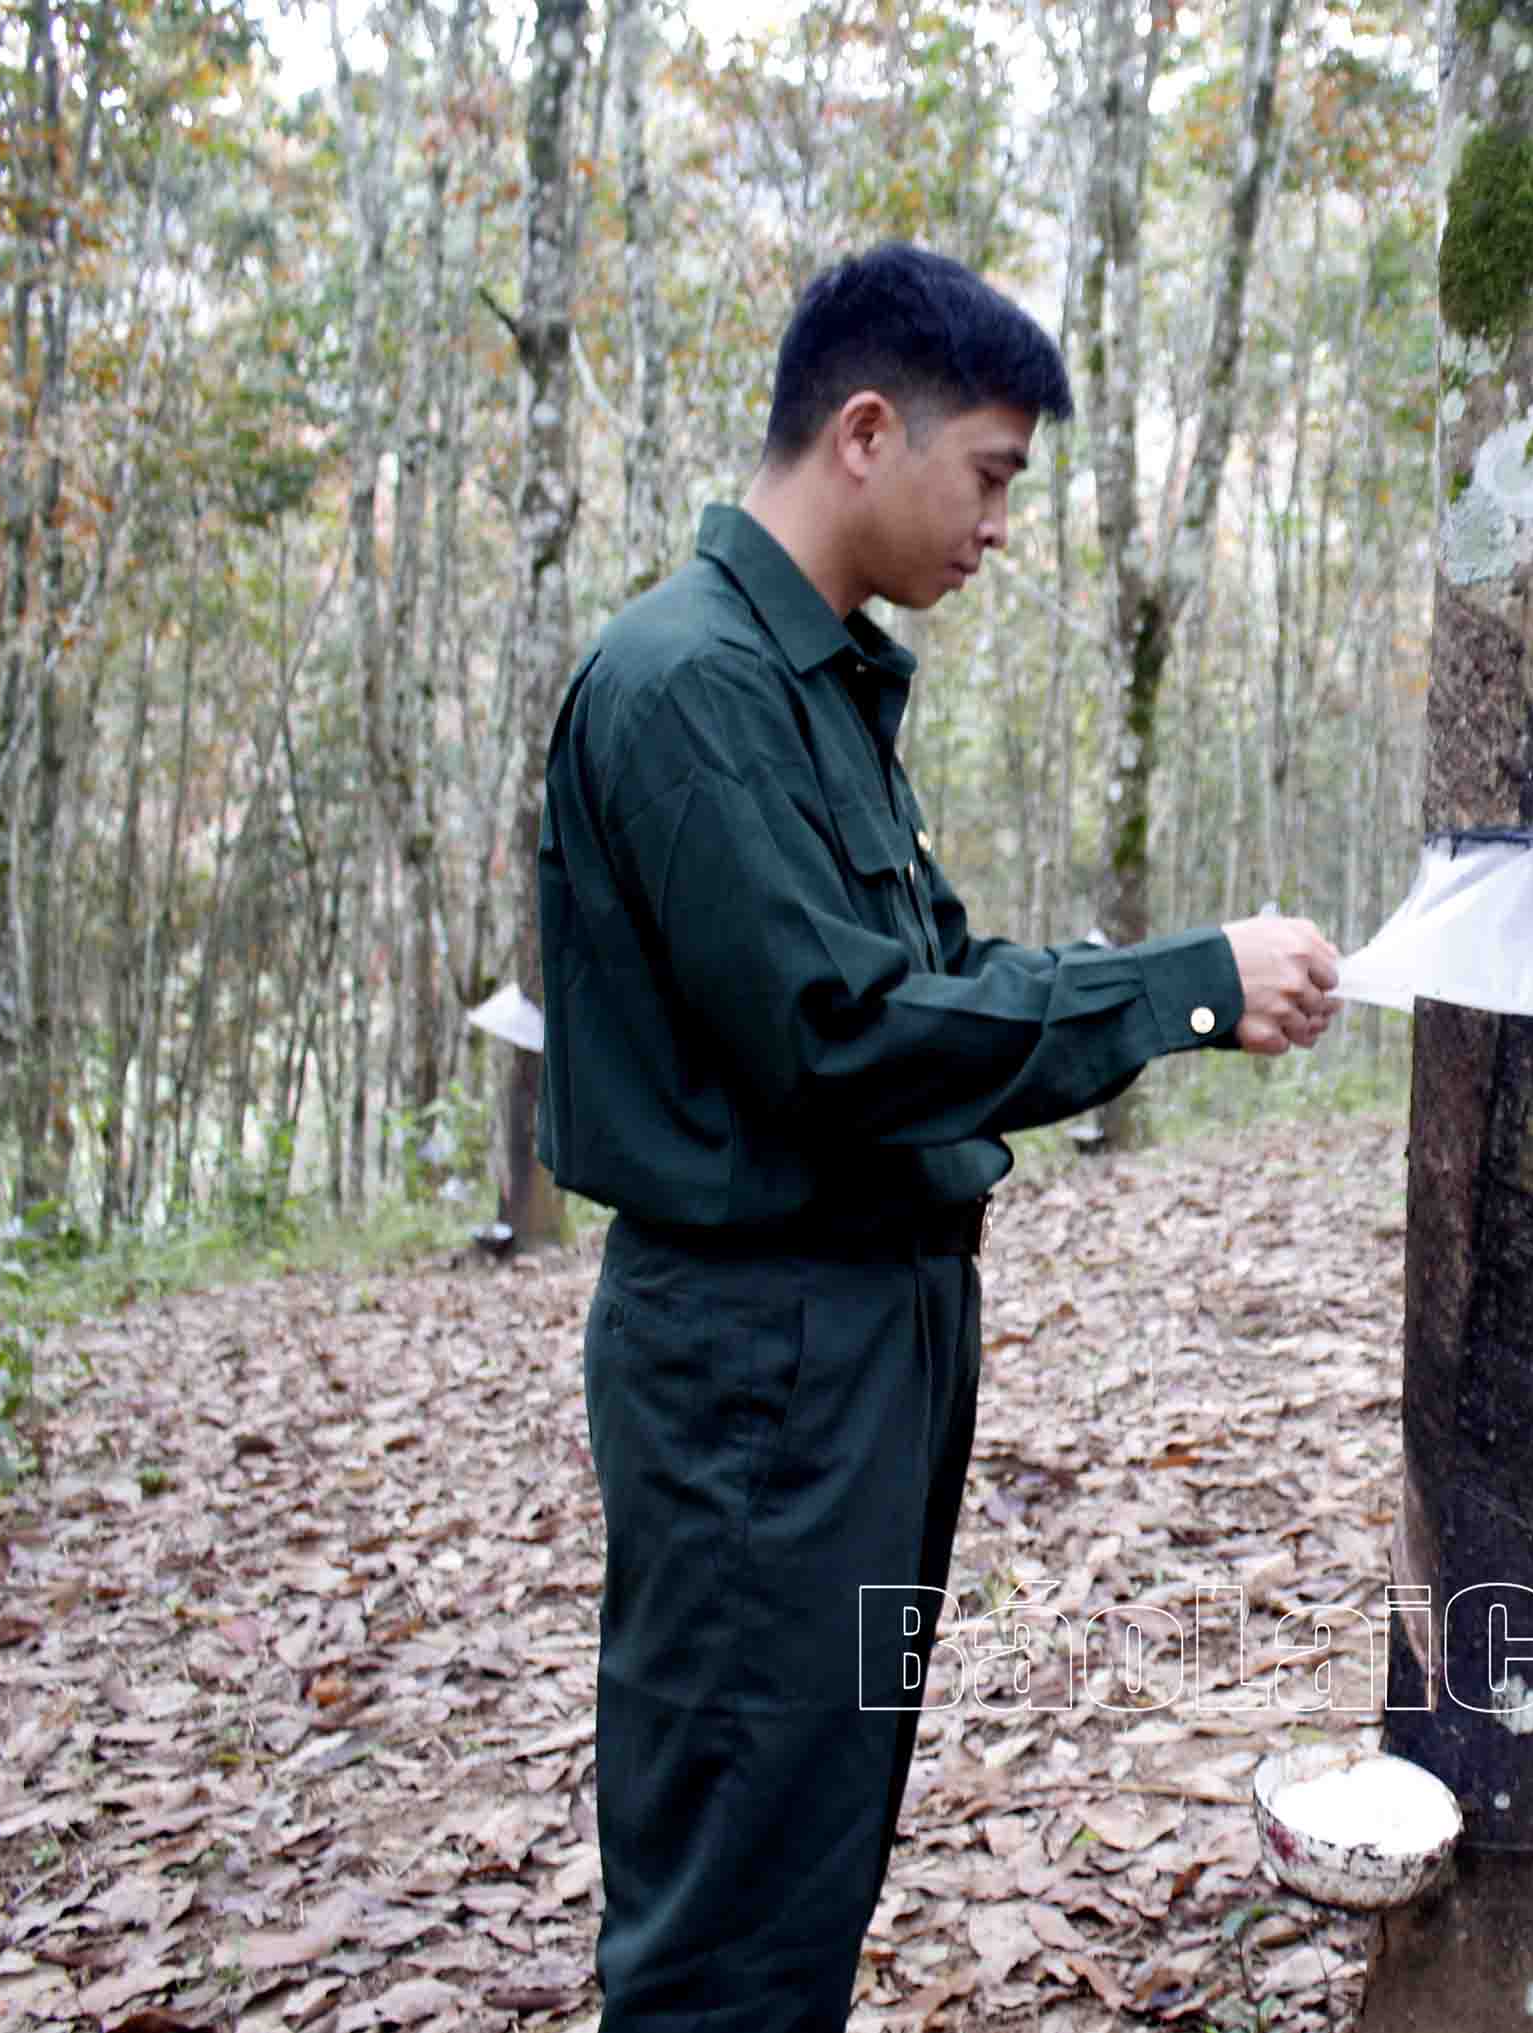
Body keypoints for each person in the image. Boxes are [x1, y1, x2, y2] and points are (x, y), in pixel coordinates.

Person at [535, 242, 1341, 2030]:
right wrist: (1183, 986)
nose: (998, 527)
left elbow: (935, 967)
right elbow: (848, 1037)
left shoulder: (816, 683)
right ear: (868, 432)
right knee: (737, 1865)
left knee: (823, 1813)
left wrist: (1186, 984)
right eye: (988, 478)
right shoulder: (686, 688)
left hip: (874, 1353)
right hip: (764, 1369)